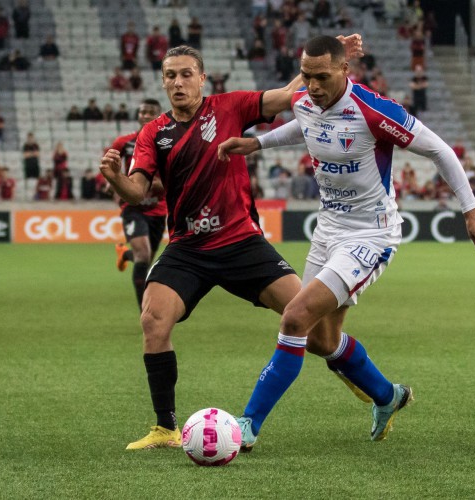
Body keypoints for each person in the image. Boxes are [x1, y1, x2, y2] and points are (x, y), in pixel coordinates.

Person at [217, 35, 475, 449]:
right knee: (319, 340)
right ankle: (388, 396)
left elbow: (439, 150)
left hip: (371, 232)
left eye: (322, 77)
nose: (312, 86)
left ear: (345, 70)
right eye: (307, 76)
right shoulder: (305, 100)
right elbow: (304, 126)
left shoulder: (373, 110)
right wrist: (257, 142)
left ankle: (248, 425)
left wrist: (471, 209)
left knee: (295, 317)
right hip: (328, 229)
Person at [99, 38, 364, 451]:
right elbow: (136, 192)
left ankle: (354, 372)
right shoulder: (153, 133)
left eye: (187, 74)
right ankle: (165, 428)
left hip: (241, 241)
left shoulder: (230, 106)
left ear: (202, 78)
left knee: (313, 327)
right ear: (163, 82)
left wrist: (316, 70)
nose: (179, 82)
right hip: (187, 248)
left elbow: (285, 97)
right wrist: (116, 178)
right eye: (171, 76)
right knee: (153, 321)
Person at [109, 100, 168, 310]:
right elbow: (109, 167)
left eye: (150, 112)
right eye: (142, 111)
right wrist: (115, 183)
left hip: (159, 210)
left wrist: (145, 183)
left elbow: (170, 181)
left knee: (144, 259)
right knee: (143, 254)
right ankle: (145, 312)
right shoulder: (124, 142)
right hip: (133, 207)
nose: (145, 115)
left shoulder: (168, 143)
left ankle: (125, 254)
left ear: (159, 116)